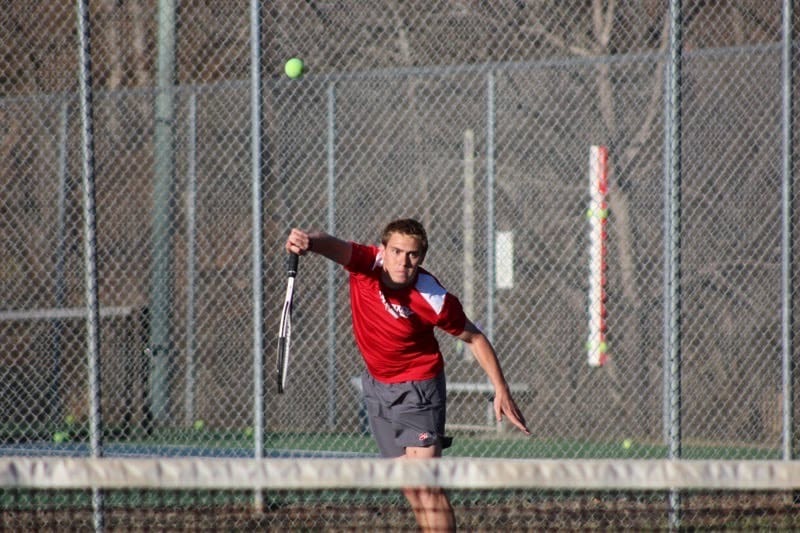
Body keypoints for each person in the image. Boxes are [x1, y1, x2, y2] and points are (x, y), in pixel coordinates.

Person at [285, 218, 529, 532]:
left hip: (419, 390)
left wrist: (501, 388)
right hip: (377, 387)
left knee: (427, 487)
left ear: (421, 258)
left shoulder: (433, 298)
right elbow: (333, 245)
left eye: (412, 254)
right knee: (411, 489)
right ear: (383, 250)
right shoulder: (366, 263)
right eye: (397, 251)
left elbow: (475, 338)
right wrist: (308, 241)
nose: (403, 261)